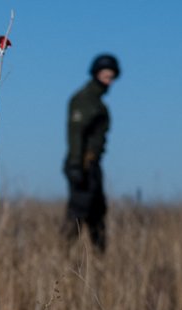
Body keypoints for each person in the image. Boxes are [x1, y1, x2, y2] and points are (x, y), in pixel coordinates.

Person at [62, 53, 120, 252]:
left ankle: (100, 259)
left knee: (97, 213)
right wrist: (77, 165)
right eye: (105, 76)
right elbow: (75, 133)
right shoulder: (84, 99)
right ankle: (62, 255)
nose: (109, 81)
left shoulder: (98, 103)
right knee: (78, 211)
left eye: (111, 77)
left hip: (93, 165)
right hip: (81, 165)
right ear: (96, 74)